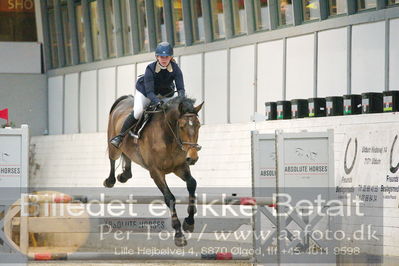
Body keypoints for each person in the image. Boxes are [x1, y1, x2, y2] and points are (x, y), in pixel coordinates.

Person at [110, 42, 185, 148]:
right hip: (145, 92)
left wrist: (181, 101)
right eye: (161, 57)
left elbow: (181, 89)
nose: (164, 59)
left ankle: (180, 140)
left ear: (171, 57)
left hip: (166, 93)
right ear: (157, 57)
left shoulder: (176, 69)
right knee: (138, 111)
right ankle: (120, 137)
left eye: (167, 57)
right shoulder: (150, 68)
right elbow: (150, 92)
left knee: (176, 111)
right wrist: (158, 102)